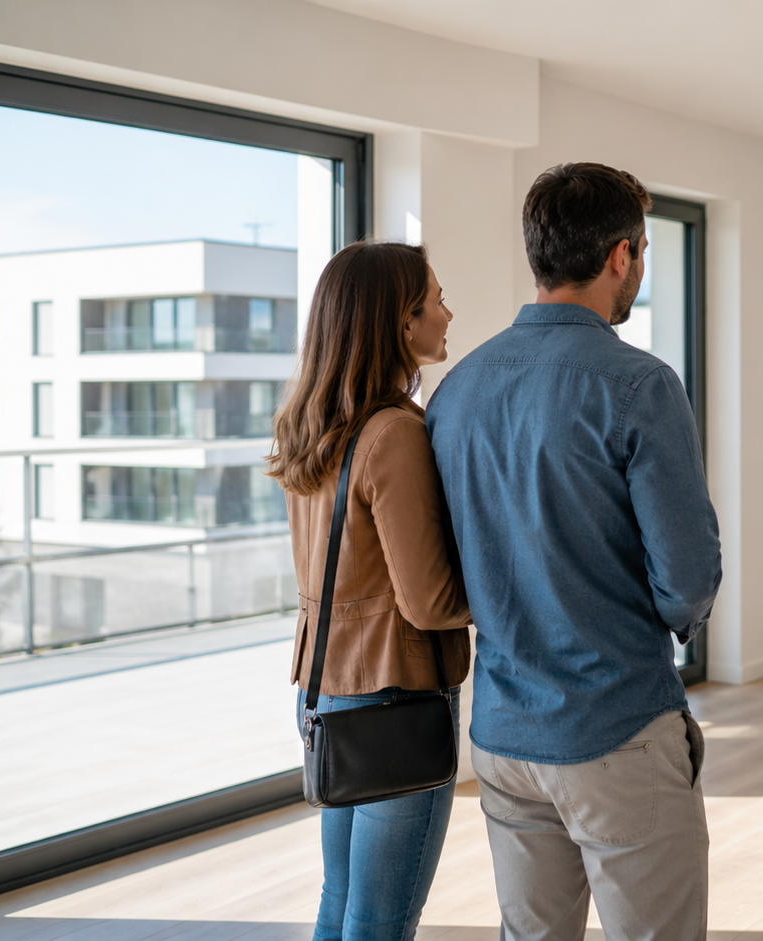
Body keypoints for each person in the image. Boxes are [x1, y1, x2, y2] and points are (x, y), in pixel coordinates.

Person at [426, 162, 721, 941]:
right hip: (614, 725)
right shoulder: (640, 384)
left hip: (502, 732)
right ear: (621, 255)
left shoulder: (456, 389)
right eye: (644, 253)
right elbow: (687, 581)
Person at [268, 240, 471, 941]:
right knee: (381, 921)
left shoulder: (312, 427)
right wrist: (522, 594)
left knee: (342, 899)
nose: (449, 312)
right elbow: (428, 601)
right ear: (401, 323)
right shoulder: (394, 434)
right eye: (437, 299)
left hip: (329, 689)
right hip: (397, 693)